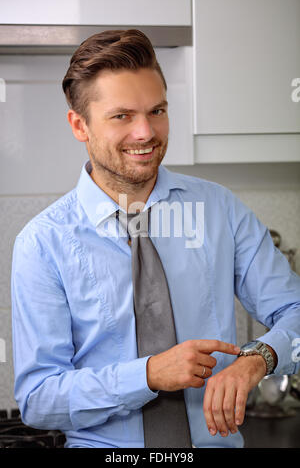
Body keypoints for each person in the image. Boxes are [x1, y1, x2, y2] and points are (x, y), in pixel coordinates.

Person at [11, 29, 300, 449]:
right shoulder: (42, 243)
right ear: (79, 125)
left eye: (157, 111)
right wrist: (146, 376)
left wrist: (259, 358)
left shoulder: (220, 210)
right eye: (122, 116)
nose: (146, 132)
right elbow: (38, 400)